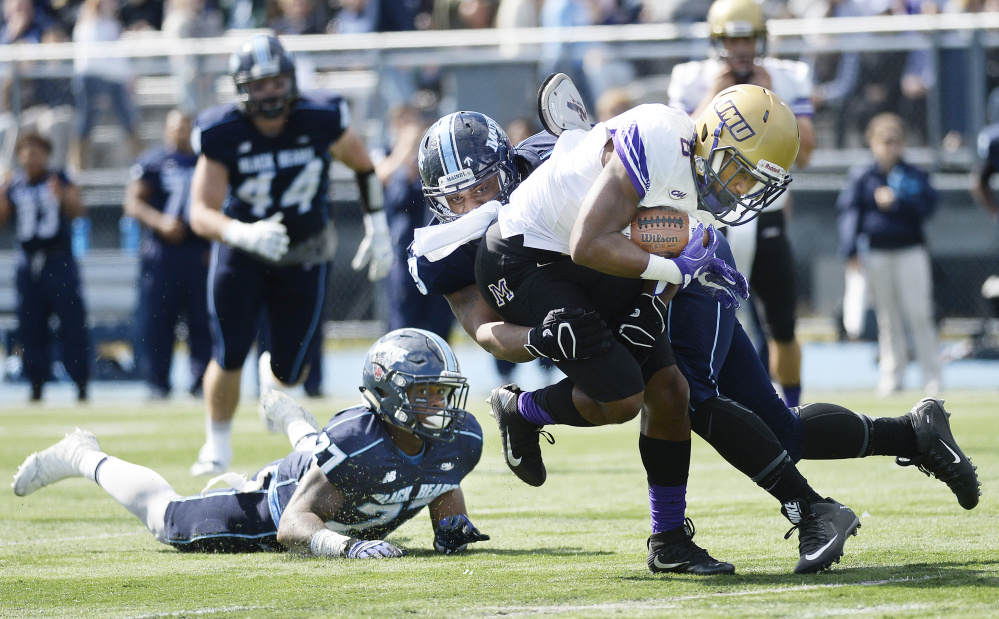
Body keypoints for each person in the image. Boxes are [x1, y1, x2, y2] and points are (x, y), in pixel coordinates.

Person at [415, 80, 980, 574]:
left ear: (505, 165)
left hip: (672, 270)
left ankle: (810, 506)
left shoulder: (550, 158)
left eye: (482, 187)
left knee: (696, 399)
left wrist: (658, 294)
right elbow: (485, 328)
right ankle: (907, 438)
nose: (471, 204)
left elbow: (655, 223)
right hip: (635, 273)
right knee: (756, 425)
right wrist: (540, 338)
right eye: (456, 197)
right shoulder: (450, 248)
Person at [12, 328, 490, 560]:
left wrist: (452, 523)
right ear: (387, 394)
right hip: (275, 503)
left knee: (324, 454)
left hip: (331, 472)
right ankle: (83, 454)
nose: (439, 405)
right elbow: (292, 524)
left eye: (443, 392)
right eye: (424, 392)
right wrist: (344, 548)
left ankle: (285, 412)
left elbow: (438, 475)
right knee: (170, 520)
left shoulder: (463, 437)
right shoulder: (357, 444)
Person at [188, 34, 392, 476]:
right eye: (259, 85)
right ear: (242, 88)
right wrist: (241, 232)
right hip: (243, 253)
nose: (271, 92)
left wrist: (378, 227)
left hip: (305, 249)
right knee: (230, 352)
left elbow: (363, 166)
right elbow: (200, 212)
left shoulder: (320, 117)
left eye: (277, 81)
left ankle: (273, 382)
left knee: (291, 369)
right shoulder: (223, 130)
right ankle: (216, 447)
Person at [667, 0, 815, 409]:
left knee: (782, 325)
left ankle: (793, 407)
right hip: (714, 217)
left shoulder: (789, 76)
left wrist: (774, 96)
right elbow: (680, 144)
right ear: (718, 40)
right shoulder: (693, 79)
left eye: (748, 37)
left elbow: (806, 152)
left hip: (766, 215)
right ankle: (719, 402)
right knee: (709, 319)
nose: (742, 48)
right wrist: (717, 96)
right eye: (734, 39)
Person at [837, 112, 941, 396]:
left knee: (919, 313)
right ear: (872, 142)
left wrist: (898, 202)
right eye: (883, 140)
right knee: (887, 318)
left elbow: (928, 206)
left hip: (910, 251)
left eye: (894, 141)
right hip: (877, 253)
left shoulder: (912, 174)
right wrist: (850, 251)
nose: (889, 147)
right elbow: (850, 213)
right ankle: (892, 375)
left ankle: (932, 375)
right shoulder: (863, 176)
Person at [124, 108, 211, 400]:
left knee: (202, 321)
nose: (180, 132)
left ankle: (201, 382)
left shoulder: (207, 161)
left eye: (186, 126)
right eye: (176, 127)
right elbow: (133, 203)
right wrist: (160, 222)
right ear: (166, 130)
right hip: (163, 254)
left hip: (200, 253)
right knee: (159, 320)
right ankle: (157, 383)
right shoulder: (153, 162)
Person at [0, 132, 90, 402]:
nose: (32, 156)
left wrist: (61, 196)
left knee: (72, 324)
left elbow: (79, 212)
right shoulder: (13, 186)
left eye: (37, 150)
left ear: (47, 154)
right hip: (28, 262)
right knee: (31, 326)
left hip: (58, 259)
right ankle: (36, 384)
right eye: (26, 150)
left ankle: (80, 383)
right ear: (19, 155)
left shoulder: (59, 179)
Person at [70, 0, 143, 170]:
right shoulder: (89, 24)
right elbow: (93, 60)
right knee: (85, 123)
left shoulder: (113, 24)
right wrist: (123, 74)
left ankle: (141, 165)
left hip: (115, 80)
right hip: (93, 80)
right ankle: (78, 168)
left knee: (129, 120)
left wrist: (128, 75)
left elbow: (119, 56)